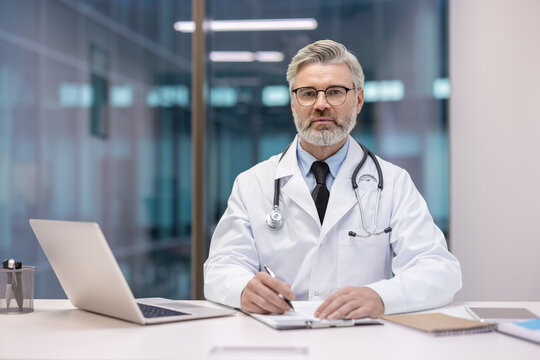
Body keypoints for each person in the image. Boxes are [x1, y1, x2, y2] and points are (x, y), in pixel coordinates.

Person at [203, 39, 461, 320]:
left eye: (335, 92)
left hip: (361, 338)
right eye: (308, 93)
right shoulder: (253, 183)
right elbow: (221, 266)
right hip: (280, 335)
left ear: (359, 100)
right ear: (292, 101)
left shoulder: (393, 182)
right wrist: (242, 288)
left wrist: (381, 297)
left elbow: (439, 270)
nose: (321, 104)